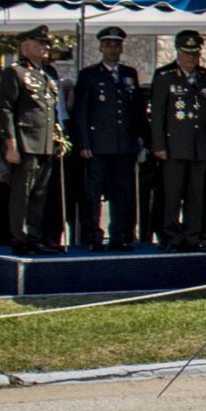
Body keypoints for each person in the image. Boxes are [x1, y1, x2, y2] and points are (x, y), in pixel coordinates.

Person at [147, 31, 206, 251]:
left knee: (196, 194)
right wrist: (158, 145)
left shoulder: (205, 78)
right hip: (174, 145)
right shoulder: (165, 77)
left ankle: (192, 235)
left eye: (195, 53)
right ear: (178, 52)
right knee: (172, 194)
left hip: (198, 145)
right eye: (186, 53)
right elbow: (157, 114)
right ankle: (170, 235)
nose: (191, 58)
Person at [71, 27, 145, 250]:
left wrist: (142, 139)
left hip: (124, 145)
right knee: (93, 193)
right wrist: (83, 143)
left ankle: (119, 236)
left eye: (116, 45)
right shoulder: (89, 75)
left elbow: (137, 110)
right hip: (98, 145)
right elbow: (81, 112)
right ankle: (93, 236)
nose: (113, 50)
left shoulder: (129, 74)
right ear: (101, 48)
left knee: (122, 193)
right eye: (108, 45)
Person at [0, 25, 64, 256]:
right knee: (21, 194)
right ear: (25, 46)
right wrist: (11, 144)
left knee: (39, 194)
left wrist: (56, 138)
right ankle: (19, 237)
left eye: (47, 44)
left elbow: (48, 111)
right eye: (40, 43)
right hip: (25, 142)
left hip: (44, 143)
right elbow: (5, 110)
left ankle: (35, 236)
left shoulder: (45, 74)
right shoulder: (15, 72)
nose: (46, 47)